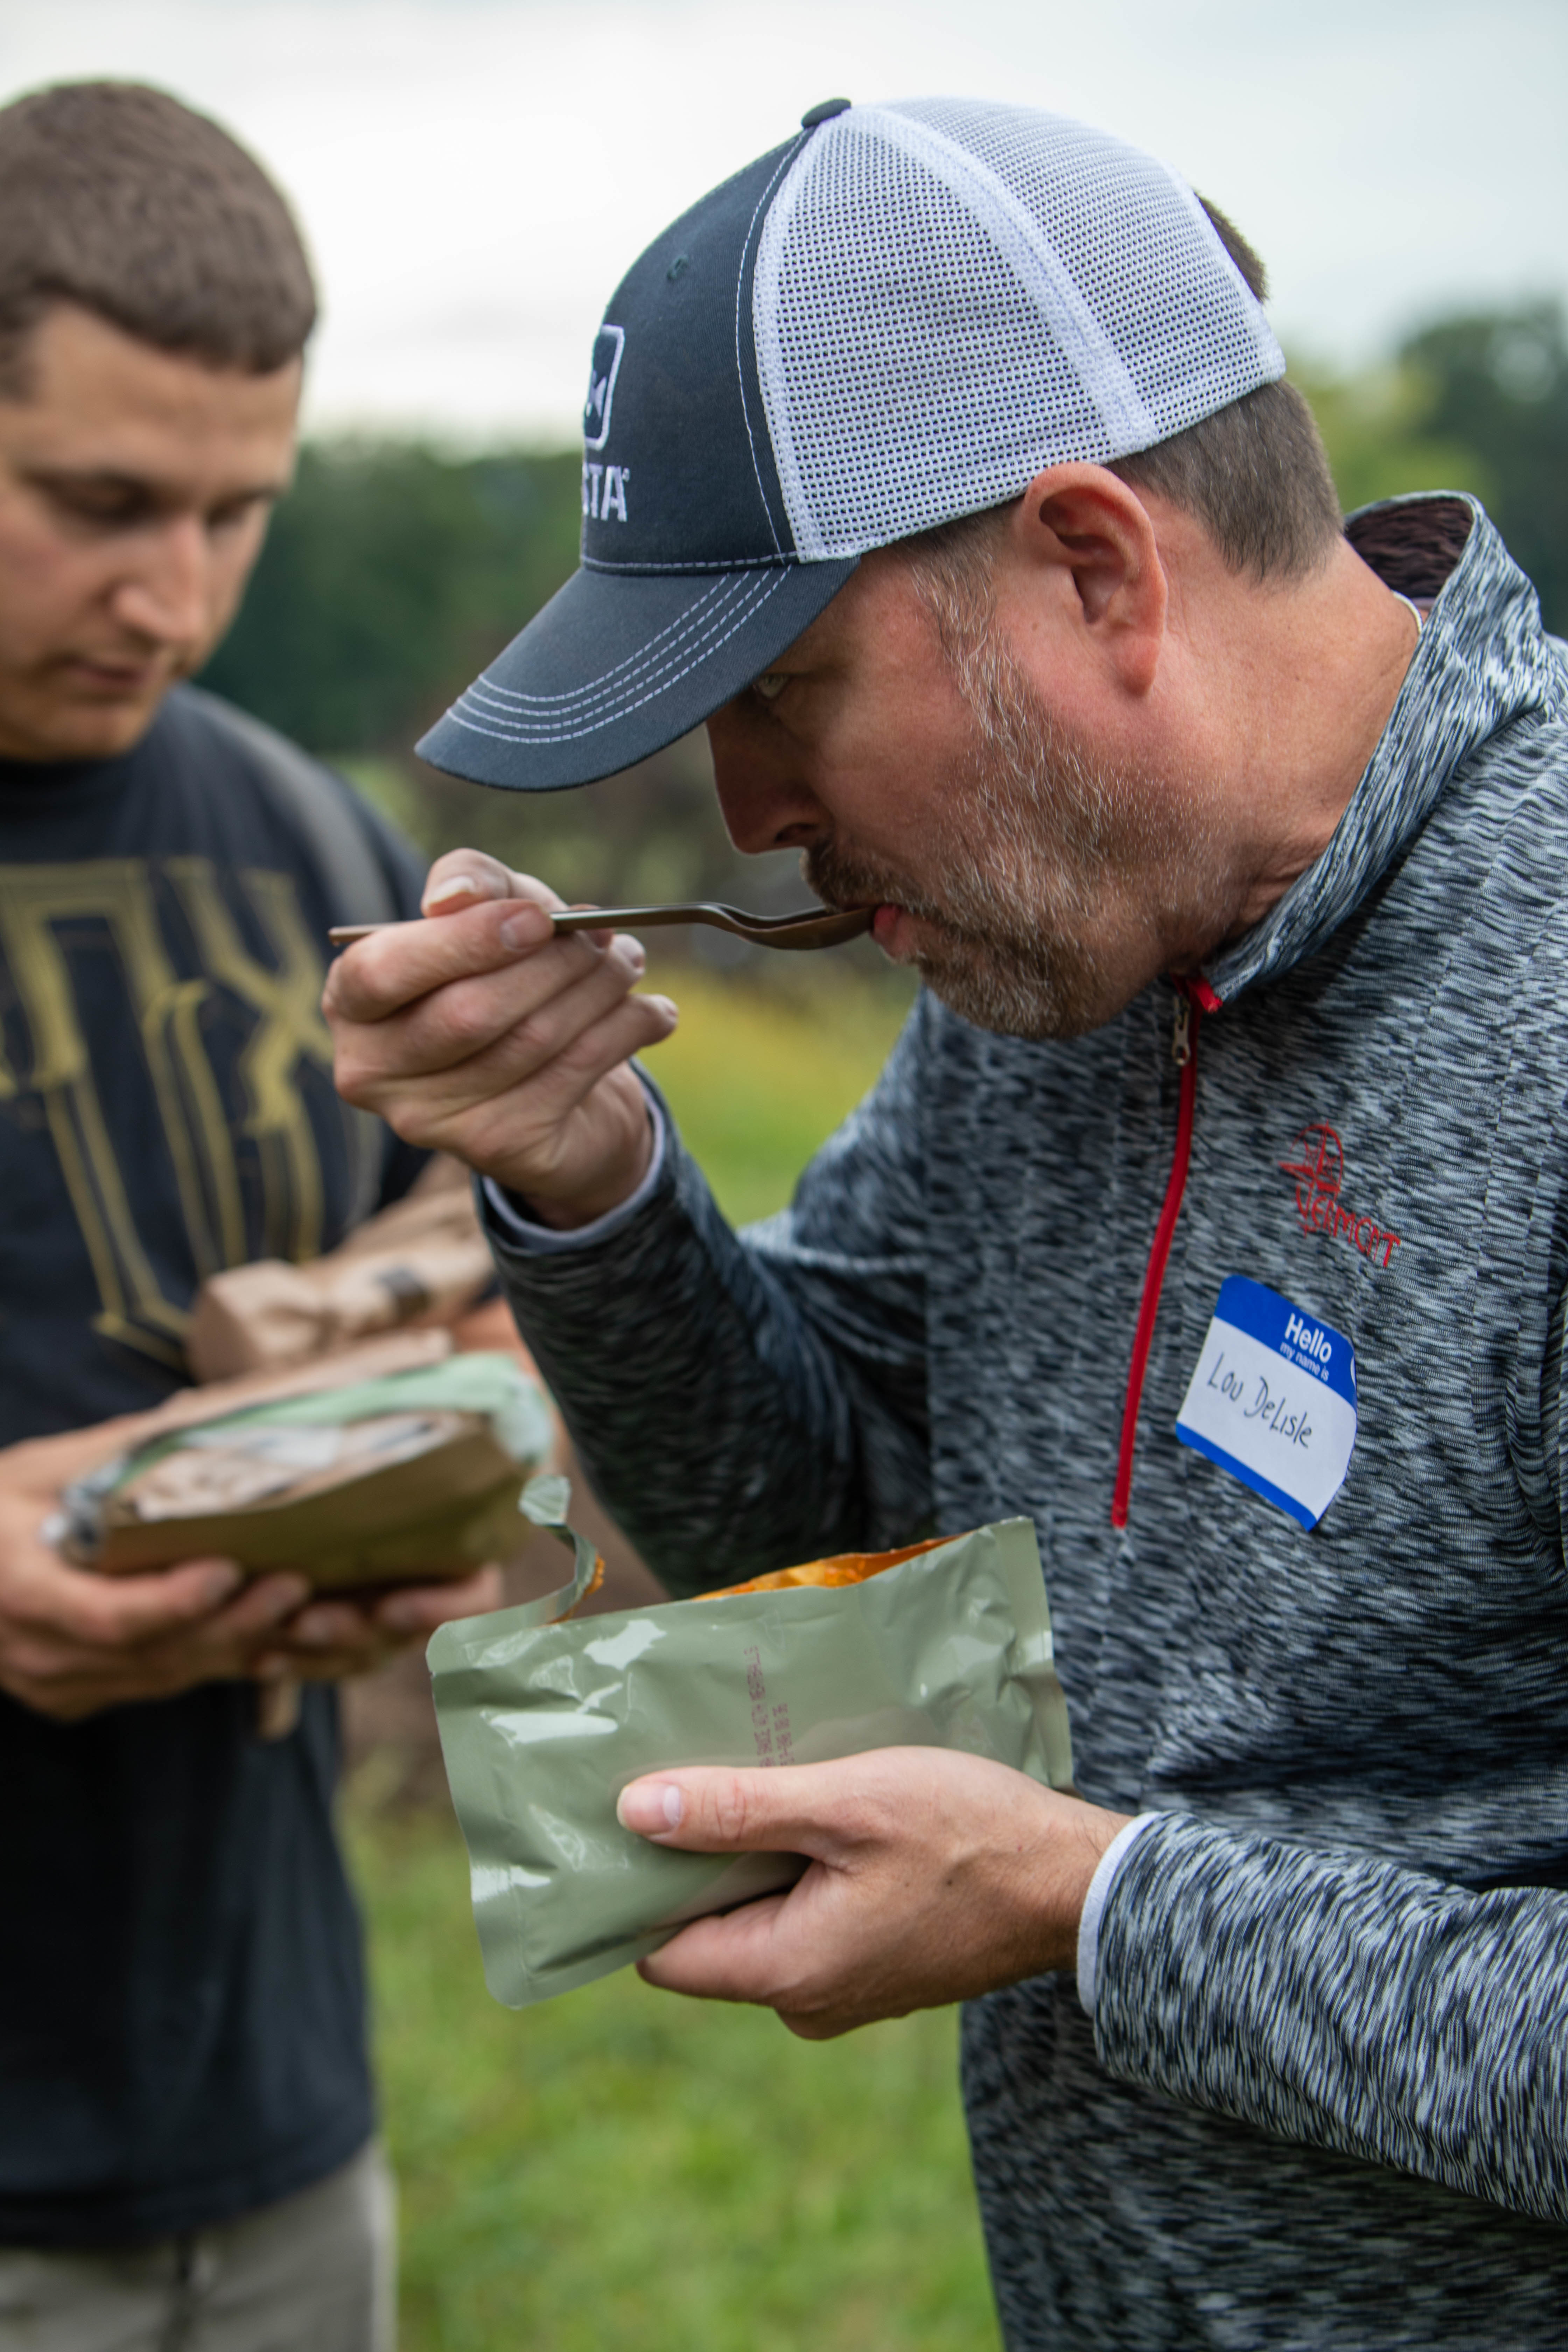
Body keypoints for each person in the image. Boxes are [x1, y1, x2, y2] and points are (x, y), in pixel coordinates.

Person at [327, 98, 1568, 2349]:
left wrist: (1090, 1908)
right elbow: (819, 1515)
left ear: (1096, 567)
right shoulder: (1056, 945)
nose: (749, 814)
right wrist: (593, 1183)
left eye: (781, 692)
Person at [0, 82, 499, 2350]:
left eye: (235, 513)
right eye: (99, 505)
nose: (173, 597)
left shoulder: (313, 842)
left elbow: (468, 1280)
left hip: (276, 2127)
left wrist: (437, 1467)